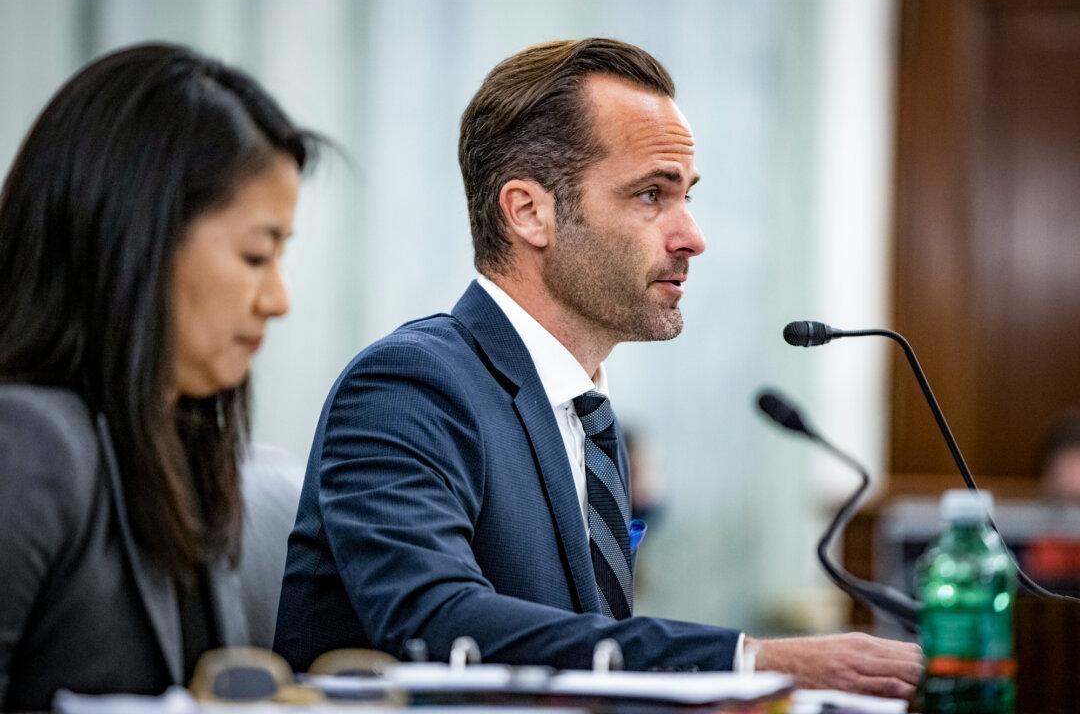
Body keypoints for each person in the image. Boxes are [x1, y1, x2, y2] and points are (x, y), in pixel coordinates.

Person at [275, 38, 921, 698]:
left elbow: (584, 656)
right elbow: (436, 625)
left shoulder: (583, 412)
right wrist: (750, 661)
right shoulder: (410, 387)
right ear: (529, 212)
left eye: (685, 194)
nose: (692, 235)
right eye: (650, 195)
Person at [0, 43, 318, 711]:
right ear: (135, 241)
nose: (279, 299)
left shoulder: (186, 447)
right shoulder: (26, 444)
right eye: (256, 254)